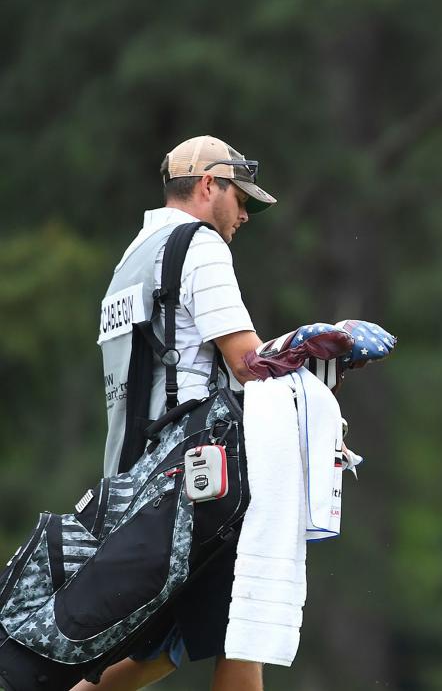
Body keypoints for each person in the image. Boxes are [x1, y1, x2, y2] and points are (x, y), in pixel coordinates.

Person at [78, 134, 277, 691]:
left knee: (157, 652)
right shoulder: (201, 245)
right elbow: (249, 363)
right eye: (240, 197)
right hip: (195, 480)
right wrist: (325, 352)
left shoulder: (131, 259)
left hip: (136, 479)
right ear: (208, 185)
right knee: (242, 629)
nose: (244, 213)